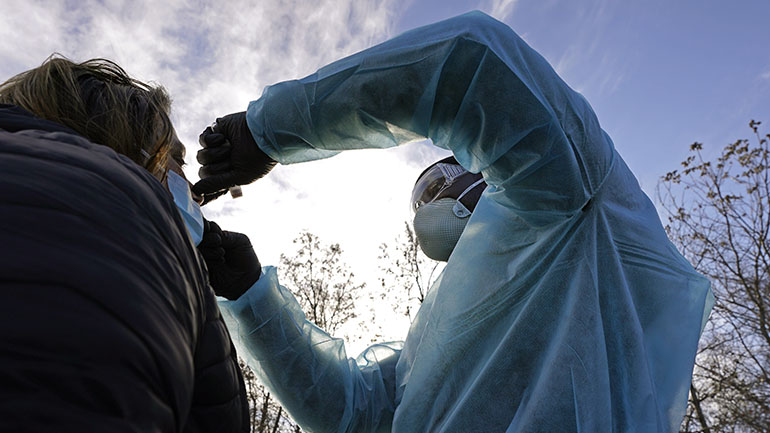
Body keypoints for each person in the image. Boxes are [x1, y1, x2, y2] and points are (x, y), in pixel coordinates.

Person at [195, 11, 714, 433]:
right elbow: (355, 415)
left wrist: (265, 132)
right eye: (420, 199)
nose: (430, 203)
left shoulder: (572, 198)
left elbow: (471, 59)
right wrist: (251, 298)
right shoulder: (437, 331)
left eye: (442, 180)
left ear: (487, 164)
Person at [0, 56, 257, 432]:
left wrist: (243, 297)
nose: (196, 192)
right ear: (134, 146)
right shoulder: (112, 196)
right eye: (178, 159)